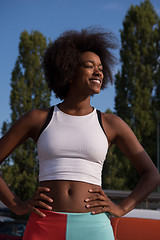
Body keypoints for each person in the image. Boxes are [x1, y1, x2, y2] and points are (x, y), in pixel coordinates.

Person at [0, 27, 160, 240]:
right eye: (89, 66)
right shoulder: (38, 119)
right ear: (69, 71)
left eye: (101, 68)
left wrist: (122, 208)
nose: (98, 72)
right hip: (44, 224)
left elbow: (152, 174)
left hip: (93, 227)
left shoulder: (112, 124)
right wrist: (16, 205)